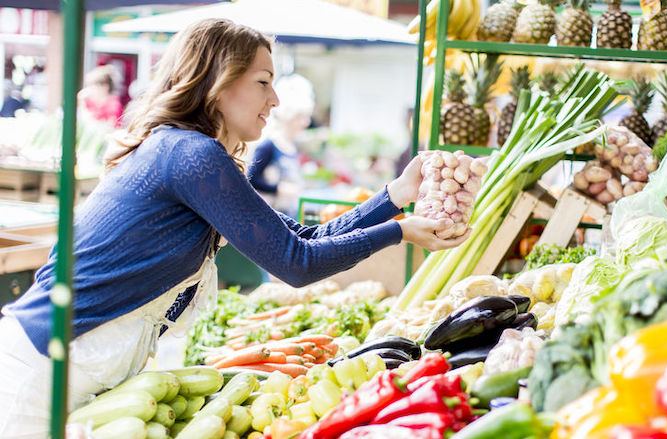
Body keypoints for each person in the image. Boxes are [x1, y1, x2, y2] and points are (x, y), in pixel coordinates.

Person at [0, 18, 468, 437]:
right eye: (264, 82)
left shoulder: (188, 152)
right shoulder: (192, 155)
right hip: (40, 378)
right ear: (218, 84)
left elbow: (300, 240)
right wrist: (401, 231)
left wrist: (396, 197)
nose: (276, 99)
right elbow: (296, 264)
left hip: (72, 371)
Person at [247, 73, 314, 219]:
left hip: (289, 216)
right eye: (300, 117)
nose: (305, 122)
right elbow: (251, 178)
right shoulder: (268, 146)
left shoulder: (292, 146)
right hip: (271, 217)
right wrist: (279, 189)